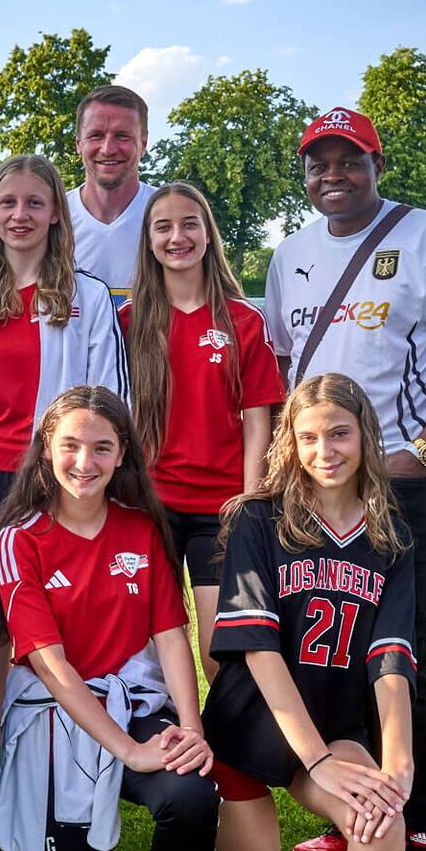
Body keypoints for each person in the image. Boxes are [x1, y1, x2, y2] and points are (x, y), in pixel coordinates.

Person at [263, 106, 426, 851]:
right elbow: (287, 374)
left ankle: (418, 833)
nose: (334, 175)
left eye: (349, 160)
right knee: (329, 636)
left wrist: (425, 451)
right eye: (319, 163)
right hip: (318, 474)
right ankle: (357, 809)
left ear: (376, 160)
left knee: (401, 652)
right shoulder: (289, 255)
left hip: (399, 477)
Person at [0, 387, 223, 851]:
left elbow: (171, 635)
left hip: (137, 701)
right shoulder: (20, 540)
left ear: (123, 454)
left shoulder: (143, 529)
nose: (84, 462)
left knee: (193, 788)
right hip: (58, 715)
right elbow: (54, 669)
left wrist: (191, 731)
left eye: (101, 447)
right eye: (70, 445)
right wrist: (128, 752)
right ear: (46, 450)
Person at [204, 373, 416, 851]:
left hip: (331, 720)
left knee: (382, 828)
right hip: (250, 731)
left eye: (340, 432)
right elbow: (260, 652)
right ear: (289, 443)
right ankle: (223, 828)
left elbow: (390, 660)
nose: (325, 448)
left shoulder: (391, 536)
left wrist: (397, 761)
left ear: (365, 436)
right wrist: (318, 760)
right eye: (309, 435)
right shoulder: (256, 518)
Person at [0, 152, 128, 807]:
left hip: (58, 484)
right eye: (8, 203)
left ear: (57, 211)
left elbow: (109, 398)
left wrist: (92, 484)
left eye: (34, 203)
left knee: (59, 625)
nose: (20, 215)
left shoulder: (84, 296)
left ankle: (68, 761)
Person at [122, 182, 282, 675]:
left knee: (222, 656)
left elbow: (259, 423)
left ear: (208, 234)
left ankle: (225, 752)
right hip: (149, 507)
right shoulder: (128, 321)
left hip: (222, 511)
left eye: (190, 223)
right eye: (163, 227)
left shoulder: (243, 321)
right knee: (149, 654)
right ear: (149, 241)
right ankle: (165, 749)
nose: (178, 237)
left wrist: (251, 507)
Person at [67, 85, 155, 300]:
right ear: (79, 144)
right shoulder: (52, 218)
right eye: (96, 135)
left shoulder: (172, 216)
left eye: (122, 136)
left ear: (143, 144)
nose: (108, 149)